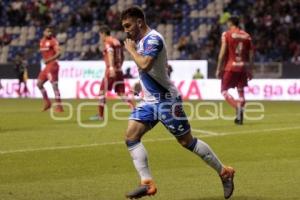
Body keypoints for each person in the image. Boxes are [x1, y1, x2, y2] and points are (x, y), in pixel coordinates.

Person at [121, 6, 235, 199]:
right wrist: (140, 86)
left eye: (128, 25)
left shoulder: (154, 39)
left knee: (186, 141)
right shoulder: (141, 41)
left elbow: (145, 64)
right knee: (131, 137)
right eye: (124, 26)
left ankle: (225, 172)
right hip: (150, 101)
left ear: (139, 22)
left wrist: (131, 50)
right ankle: (147, 183)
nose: (126, 30)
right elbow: (154, 69)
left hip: (167, 101)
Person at [89, 25, 135, 120]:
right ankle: (135, 110)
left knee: (102, 92)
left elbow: (110, 53)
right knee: (121, 93)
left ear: (103, 34)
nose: (100, 38)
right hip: (119, 70)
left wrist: (111, 68)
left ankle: (100, 116)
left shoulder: (108, 41)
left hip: (111, 70)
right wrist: (119, 66)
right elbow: (122, 55)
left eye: (100, 35)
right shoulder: (116, 41)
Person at [215, 16, 254, 125]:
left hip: (231, 67)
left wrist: (219, 68)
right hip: (243, 67)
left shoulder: (226, 34)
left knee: (224, 90)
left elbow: (222, 53)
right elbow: (251, 54)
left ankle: (237, 107)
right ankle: (239, 113)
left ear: (231, 23)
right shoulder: (247, 36)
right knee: (241, 92)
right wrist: (250, 69)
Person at [37, 26, 63, 112]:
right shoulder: (41, 42)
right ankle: (47, 103)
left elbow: (59, 53)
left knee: (54, 86)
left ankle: (59, 107)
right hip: (47, 66)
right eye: (48, 31)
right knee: (39, 84)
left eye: (51, 32)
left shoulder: (53, 41)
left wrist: (49, 59)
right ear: (44, 32)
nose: (50, 33)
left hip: (53, 65)